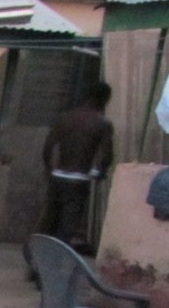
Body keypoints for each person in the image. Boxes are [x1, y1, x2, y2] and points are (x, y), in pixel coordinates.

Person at [36, 81, 114, 252]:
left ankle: (35, 262)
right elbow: (106, 155)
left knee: (48, 221)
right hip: (79, 180)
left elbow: (48, 147)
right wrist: (99, 173)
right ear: (105, 99)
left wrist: (49, 169)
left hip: (58, 176)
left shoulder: (64, 118)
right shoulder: (102, 124)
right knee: (67, 226)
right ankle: (53, 264)